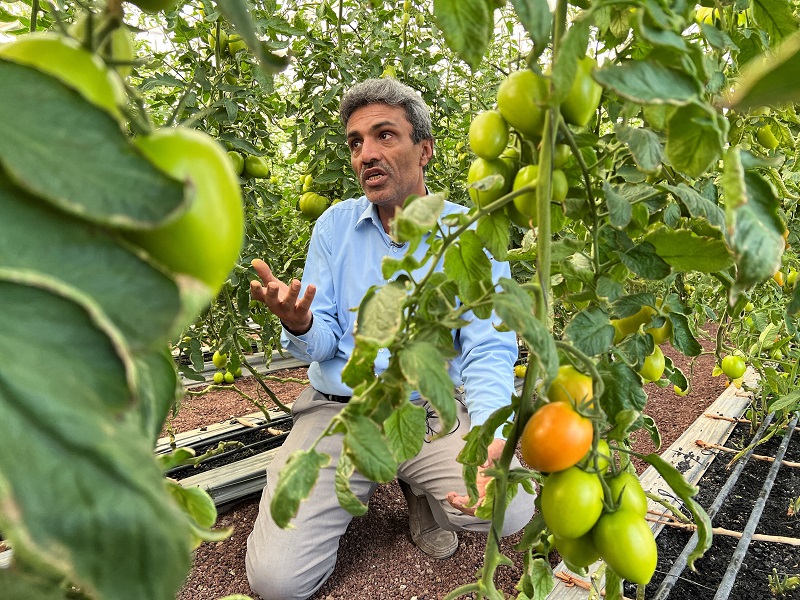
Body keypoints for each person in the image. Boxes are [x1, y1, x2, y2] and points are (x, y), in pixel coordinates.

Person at [245, 77, 536, 600]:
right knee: (277, 583)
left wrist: (491, 432)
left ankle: (417, 484)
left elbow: (488, 344)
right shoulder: (333, 228)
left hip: (427, 412)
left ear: (424, 150)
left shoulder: (468, 232)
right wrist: (300, 325)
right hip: (341, 410)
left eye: (384, 135)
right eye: (356, 142)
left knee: (508, 507)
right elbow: (324, 343)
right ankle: (356, 481)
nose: (366, 154)